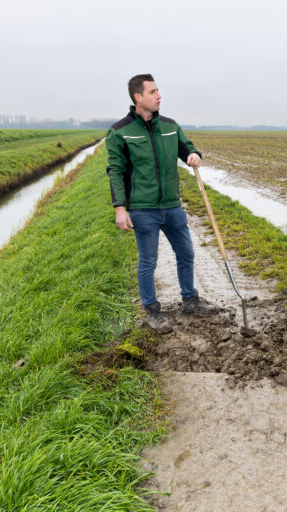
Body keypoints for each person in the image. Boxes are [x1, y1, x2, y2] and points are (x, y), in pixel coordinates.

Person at [106, 73, 219, 332]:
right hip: (143, 209)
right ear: (138, 97)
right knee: (148, 261)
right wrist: (120, 209)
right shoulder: (120, 132)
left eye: (159, 90)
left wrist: (192, 155)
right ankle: (152, 311)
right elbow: (115, 171)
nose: (159, 95)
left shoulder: (170, 126)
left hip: (172, 206)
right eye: (153, 91)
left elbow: (187, 148)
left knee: (186, 253)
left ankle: (190, 299)